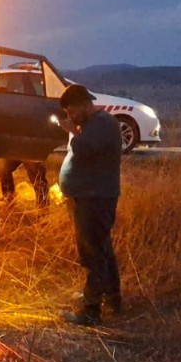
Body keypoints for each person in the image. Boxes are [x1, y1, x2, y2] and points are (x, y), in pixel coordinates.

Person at [56, 84, 123, 326]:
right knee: (102, 248)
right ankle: (111, 297)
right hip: (89, 196)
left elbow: (83, 150)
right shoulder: (92, 125)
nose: (70, 116)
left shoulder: (102, 123)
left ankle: (91, 311)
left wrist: (72, 130)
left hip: (95, 199)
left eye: (71, 111)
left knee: (93, 253)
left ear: (85, 104)